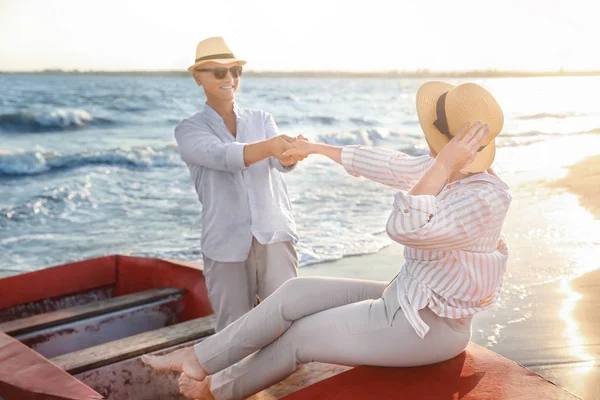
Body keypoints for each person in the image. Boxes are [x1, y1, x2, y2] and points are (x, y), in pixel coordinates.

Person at [143, 81, 512, 400]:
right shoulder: (451, 172)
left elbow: (403, 225)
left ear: (453, 146)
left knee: (299, 337)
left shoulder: (483, 197)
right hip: (406, 298)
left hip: (427, 328)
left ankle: (216, 391)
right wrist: (316, 149)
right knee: (295, 293)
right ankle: (198, 359)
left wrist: (443, 164)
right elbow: (386, 163)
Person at [175, 37, 305, 332]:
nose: (230, 78)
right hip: (225, 243)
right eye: (219, 72)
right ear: (198, 77)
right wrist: (272, 146)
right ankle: (234, 379)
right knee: (234, 330)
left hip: (274, 234)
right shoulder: (189, 130)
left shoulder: (262, 119)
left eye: (235, 71)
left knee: (287, 323)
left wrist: (288, 152)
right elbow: (224, 157)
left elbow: (281, 164)